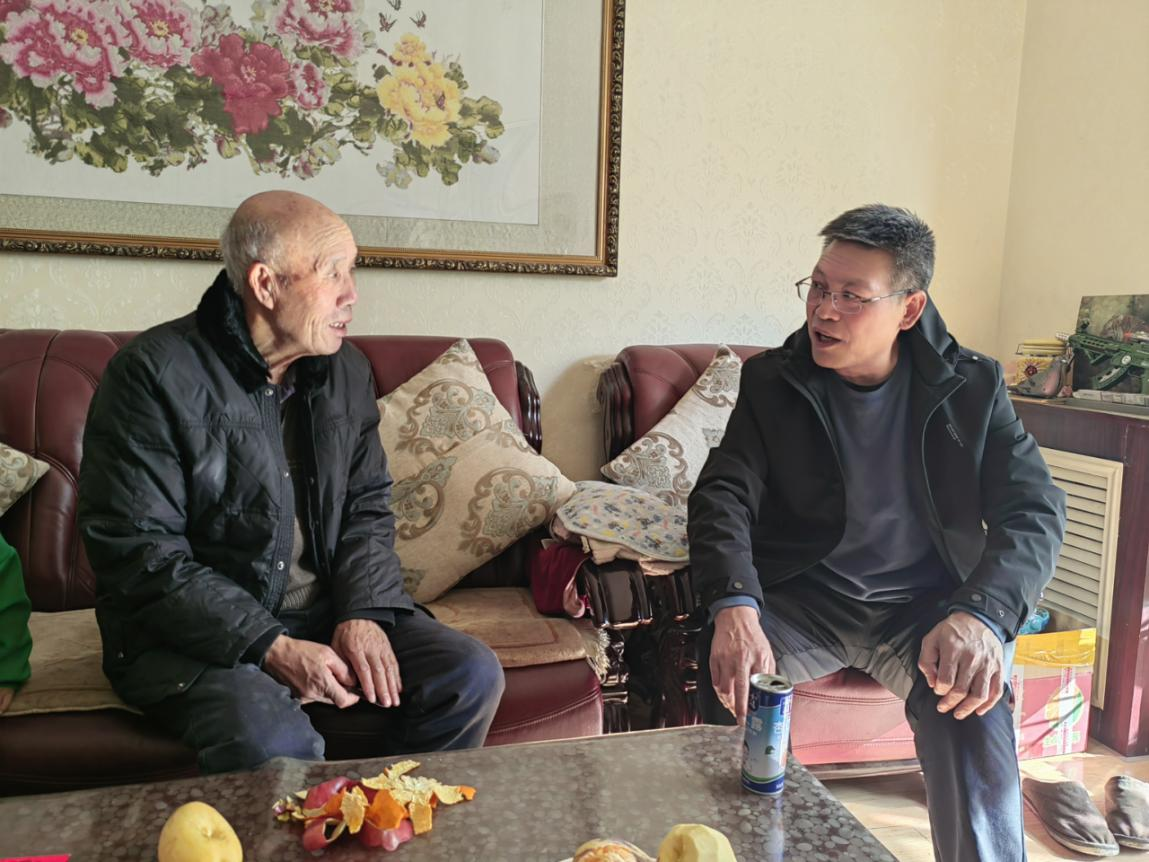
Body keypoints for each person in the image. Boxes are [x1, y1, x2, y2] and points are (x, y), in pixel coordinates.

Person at [78, 191, 504, 774]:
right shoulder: (150, 376)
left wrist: (364, 612)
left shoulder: (346, 371)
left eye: (352, 272)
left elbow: (366, 506)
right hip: (192, 637)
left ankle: (393, 811)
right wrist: (270, 645)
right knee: (273, 740)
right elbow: (141, 554)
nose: (352, 293)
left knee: (469, 675)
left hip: (323, 613)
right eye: (334, 273)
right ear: (265, 284)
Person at [689, 204, 1066, 861]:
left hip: (922, 608)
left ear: (908, 309)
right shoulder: (773, 381)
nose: (823, 311)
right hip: (803, 599)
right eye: (817, 287)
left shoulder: (972, 386)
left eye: (851, 296)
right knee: (730, 670)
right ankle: (735, 848)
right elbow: (723, 494)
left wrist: (982, 615)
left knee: (971, 708)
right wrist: (735, 605)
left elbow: (1034, 509)